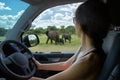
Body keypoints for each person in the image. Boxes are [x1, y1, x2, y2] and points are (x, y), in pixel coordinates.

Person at [29, 0, 110, 80]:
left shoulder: (89, 61)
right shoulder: (85, 49)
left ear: (81, 24)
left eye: (75, 20)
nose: (74, 24)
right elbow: (65, 65)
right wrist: (40, 66)